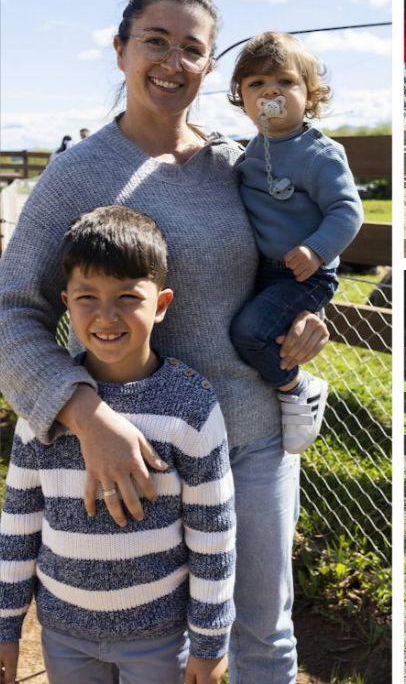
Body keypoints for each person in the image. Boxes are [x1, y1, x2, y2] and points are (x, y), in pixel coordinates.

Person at [0, 0, 329, 681]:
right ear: (120, 50)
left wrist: (305, 315)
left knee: (262, 633)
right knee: (150, 646)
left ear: (211, 68)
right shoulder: (74, 176)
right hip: (123, 459)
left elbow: (291, 267)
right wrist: (86, 418)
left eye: (192, 49)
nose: (172, 62)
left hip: (248, 437)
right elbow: (13, 312)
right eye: (156, 41)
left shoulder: (236, 167)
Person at [0, 207, 234, 684]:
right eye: (88, 297)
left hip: (160, 638)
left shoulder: (190, 405)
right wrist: (6, 626)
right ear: (66, 301)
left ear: (162, 303)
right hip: (63, 634)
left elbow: (214, 533)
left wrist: (209, 642)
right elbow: (18, 524)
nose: (106, 315)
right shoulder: (43, 403)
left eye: (128, 296)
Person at [226, 31, 362, 454]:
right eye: (256, 85)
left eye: (285, 82)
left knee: (249, 332)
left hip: (306, 275)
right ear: (243, 100)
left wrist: (315, 249)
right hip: (264, 270)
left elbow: (347, 211)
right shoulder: (253, 149)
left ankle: (298, 388)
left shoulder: (319, 153)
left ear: (310, 93)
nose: (271, 91)